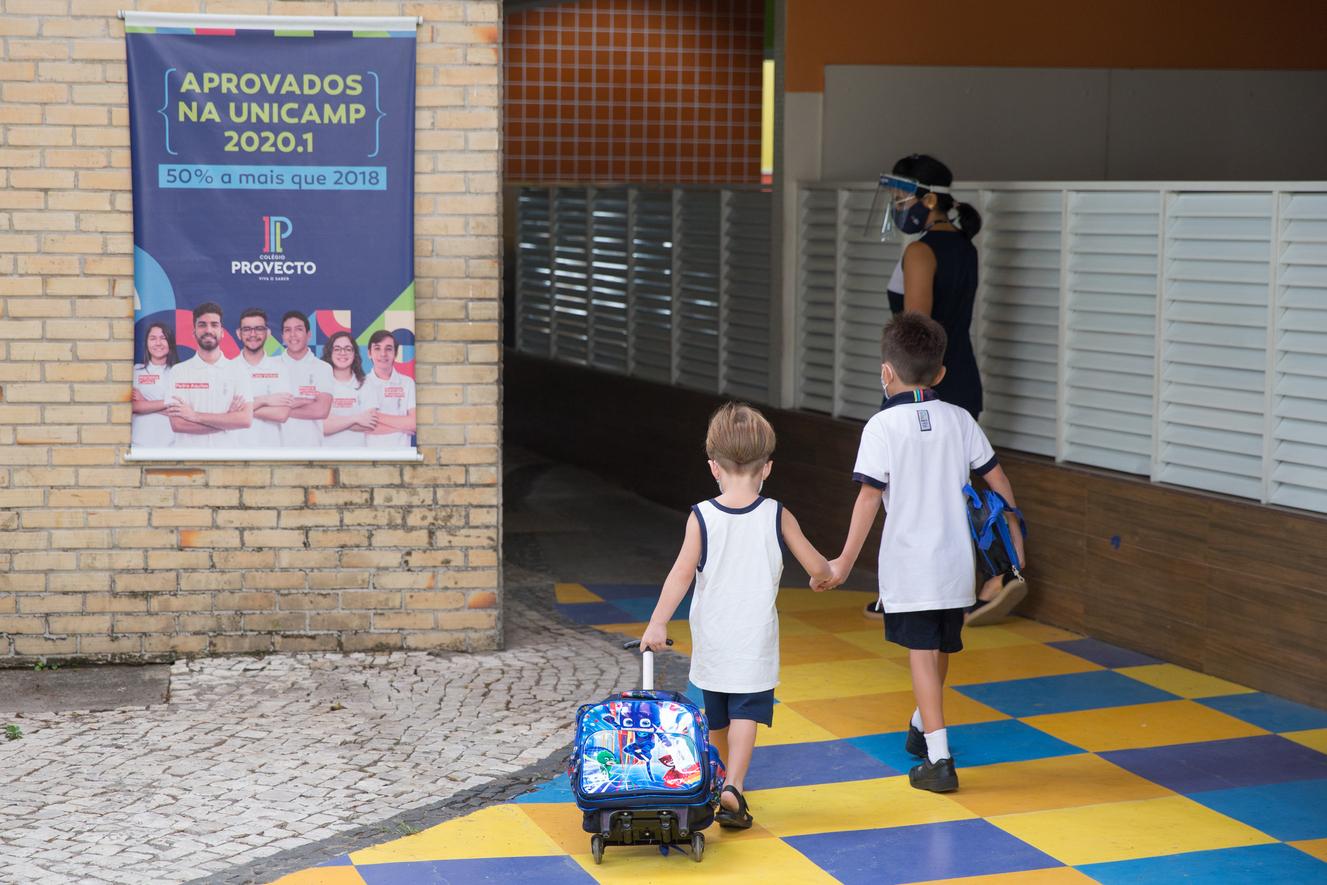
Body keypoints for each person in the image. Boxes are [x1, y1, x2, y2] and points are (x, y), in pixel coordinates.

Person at [818, 313, 1024, 793]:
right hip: (956, 566)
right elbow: (997, 479)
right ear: (941, 373)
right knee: (940, 648)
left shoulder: (881, 426)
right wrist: (1016, 541)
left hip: (910, 566)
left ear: (885, 372)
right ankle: (921, 726)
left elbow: (869, 497)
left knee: (923, 653)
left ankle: (939, 759)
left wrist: (843, 562)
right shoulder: (961, 419)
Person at [641, 403, 832, 830]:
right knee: (747, 712)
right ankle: (735, 785)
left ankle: (717, 780)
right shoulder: (777, 514)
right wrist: (826, 575)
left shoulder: (701, 516)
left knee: (717, 715)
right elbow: (815, 564)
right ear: (767, 468)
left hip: (713, 639)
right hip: (755, 640)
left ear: (714, 467)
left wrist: (657, 622)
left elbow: (680, 574)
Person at [869, 153, 1026, 625]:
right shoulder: (965, 246)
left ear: (929, 200)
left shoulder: (920, 251)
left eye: (902, 197)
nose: (897, 206)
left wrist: (898, 386)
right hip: (962, 377)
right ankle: (998, 573)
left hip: (922, 384)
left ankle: (916, 589)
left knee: (907, 487)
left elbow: (917, 333)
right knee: (960, 487)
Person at [166, 302, 253, 447]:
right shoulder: (178, 371)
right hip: (189, 457)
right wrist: (227, 420)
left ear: (222, 332)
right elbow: (178, 424)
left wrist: (194, 416)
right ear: (194, 333)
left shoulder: (239, 370)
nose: (208, 330)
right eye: (202, 325)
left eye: (214, 325)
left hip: (227, 456)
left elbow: (245, 420)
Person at [231, 308, 293, 449]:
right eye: (247, 329)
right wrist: (266, 400)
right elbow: (223, 411)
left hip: (271, 451)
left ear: (268, 333)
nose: (253, 334)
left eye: (258, 328)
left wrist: (240, 410)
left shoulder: (280, 368)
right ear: (239, 334)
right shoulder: (227, 368)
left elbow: (282, 414)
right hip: (235, 451)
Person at [277, 311, 334, 448]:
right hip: (276, 449)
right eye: (287, 330)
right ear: (282, 336)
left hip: (311, 448)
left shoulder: (323, 368)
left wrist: (278, 411)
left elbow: (321, 410)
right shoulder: (270, 366)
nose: (293, 335)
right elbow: (259, 407)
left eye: (299, 329)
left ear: (309, 335)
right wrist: (306, 401)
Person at [320, 330, 378, 448]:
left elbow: (369, 423)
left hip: (357, 455)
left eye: (348, 349)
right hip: (326, 454)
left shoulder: (366, 383)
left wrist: (332, 420)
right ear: (330, 353)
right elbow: (320, 426)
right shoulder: (320, 382)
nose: (343, 353)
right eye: (337, 349)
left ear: (354, 353)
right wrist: (356, 418)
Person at [361, 330, 416, 448]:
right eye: (377, 348)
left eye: (389, 349)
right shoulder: (360, 384)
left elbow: (413, 423)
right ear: (369, 353)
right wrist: (401, 426)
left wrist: (375, 415)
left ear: (395, 353)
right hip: (370, 455)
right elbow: (361, 427)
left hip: (402, 455)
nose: (383, 354)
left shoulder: (407, 383)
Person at [131, 321, 179, 449]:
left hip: (171, 446)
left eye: (163, 338)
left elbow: (182, 413)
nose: (158, 343)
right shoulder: (136, 371)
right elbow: (134, 406)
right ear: (146, 343)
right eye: (153, 338)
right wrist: (170, 403)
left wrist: (145, 402)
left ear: (170, 342)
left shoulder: (180, 372)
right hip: (139, 445)